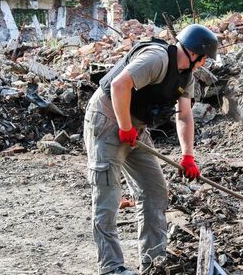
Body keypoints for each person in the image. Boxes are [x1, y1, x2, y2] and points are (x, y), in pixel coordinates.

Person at [83, 24, 218, 275]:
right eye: (205, 57)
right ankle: (111, 268)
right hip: (108, 118)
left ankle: (154, 263)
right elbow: (119, 86)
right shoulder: (156, 58)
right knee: (108, 196)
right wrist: (124, 127)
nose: (205, 62)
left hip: (136, 126)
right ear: (194, 52)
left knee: (154, 191)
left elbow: (185, 117)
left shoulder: (186, 75)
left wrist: (188, 156)